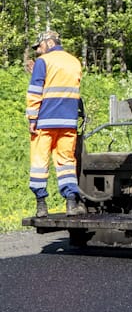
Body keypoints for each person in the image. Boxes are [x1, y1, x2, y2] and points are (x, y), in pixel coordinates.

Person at [25, 30, 86, 217]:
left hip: (45, 121)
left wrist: (32, 119)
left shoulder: (44, 61)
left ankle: (41, 205)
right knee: (66, 162)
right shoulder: (74, 62)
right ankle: (71, 203)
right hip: (68, 122)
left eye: (40, 47)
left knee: (39, 162)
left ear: (49, 43)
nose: (39, 51)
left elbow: (35, 91)